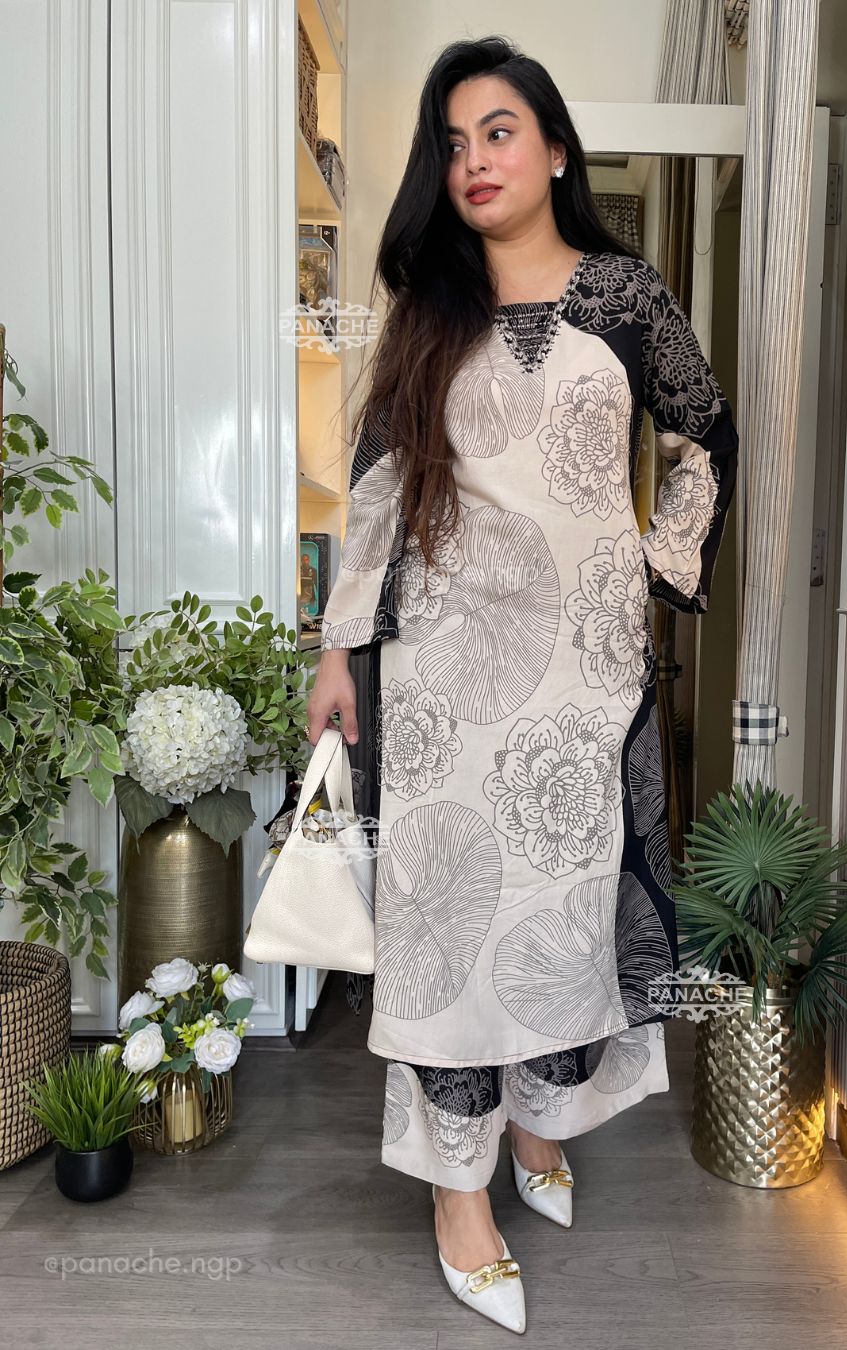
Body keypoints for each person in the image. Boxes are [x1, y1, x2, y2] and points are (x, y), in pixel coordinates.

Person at [305, 34, 738, 1336]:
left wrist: (650, 562)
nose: (473, 161)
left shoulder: (626, 296)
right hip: (442, 679)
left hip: (584, 681)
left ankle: (541, 1122)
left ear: (553, 148)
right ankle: (460, 1193)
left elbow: (705, 433)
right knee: (451, 925)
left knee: (565, 916)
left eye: (498, 131)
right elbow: (378, 486)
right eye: (452, 143)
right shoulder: (428, 309)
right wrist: (337, 649)